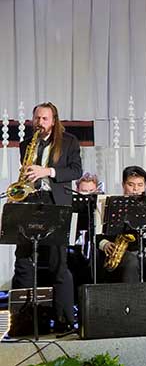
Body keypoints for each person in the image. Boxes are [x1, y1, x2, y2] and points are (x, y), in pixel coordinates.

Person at [12, 102, 82, 331]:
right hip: (31, 201)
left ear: (53, 121)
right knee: (23, 260)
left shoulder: (69, 141)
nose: (39, 122)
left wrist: (48, 171)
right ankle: (24, 322)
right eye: (37, 118)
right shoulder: (26, 144)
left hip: (55, 203)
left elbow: (76, 171)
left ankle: (64, 321)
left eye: (44, 119)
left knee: (58, 263)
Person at [97, 166, 146, 283]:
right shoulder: (110, 204)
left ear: (145, 185)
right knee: (131, 262)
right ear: (123, 185)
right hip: (115, 251)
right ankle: (132, 296)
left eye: (140, 185)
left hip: (141, 249)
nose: (135, 189)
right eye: (131, 185)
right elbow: (95, 233)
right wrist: (104, 244)